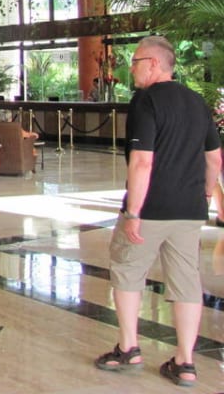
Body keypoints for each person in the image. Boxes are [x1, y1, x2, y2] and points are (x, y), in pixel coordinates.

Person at [94, 36, 221, 387]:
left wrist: (133, 211)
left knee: (128, 272)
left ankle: (129, 347)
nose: (129, 68)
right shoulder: (197, 101)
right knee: (187, 284)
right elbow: (214, 158)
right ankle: (184, 362)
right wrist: (205, 193)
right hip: (189, 210)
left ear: (153, 64)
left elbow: (142, 161)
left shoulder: (145, 101)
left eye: (135, 61)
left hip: (150, 210)